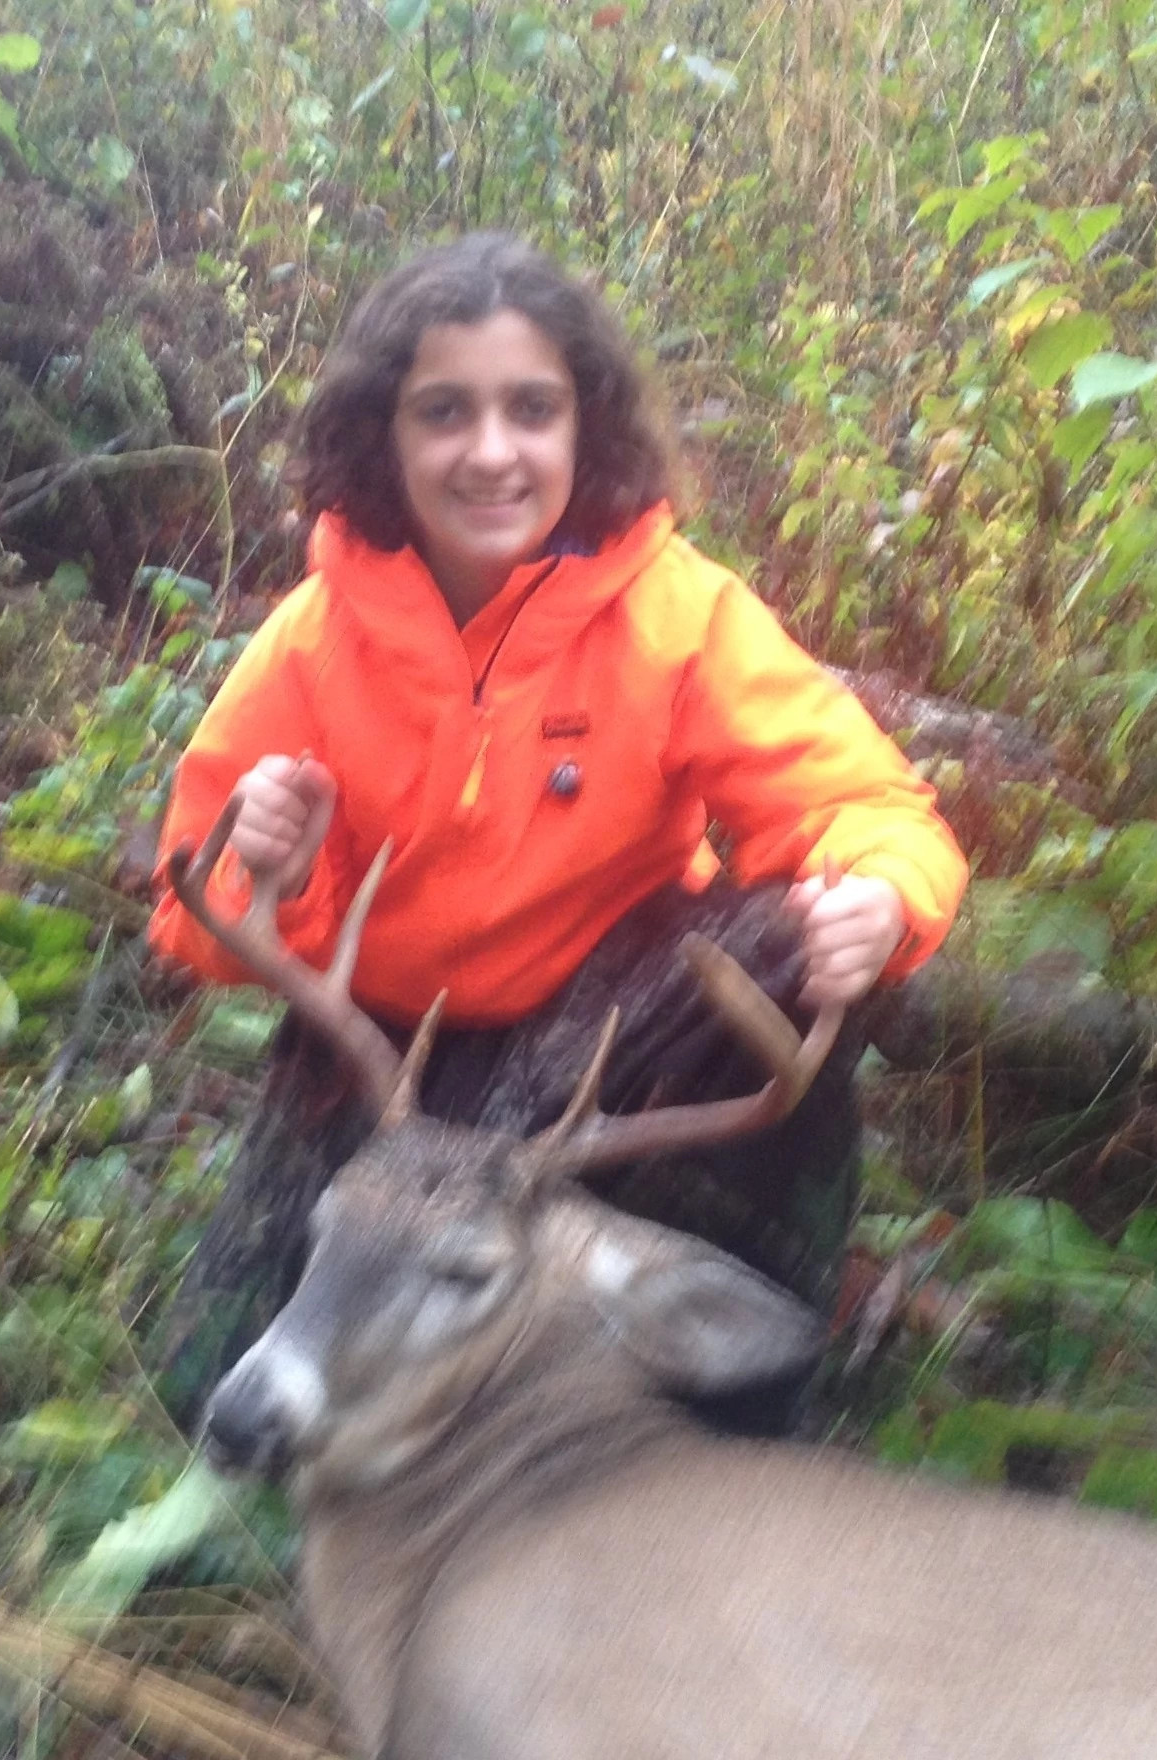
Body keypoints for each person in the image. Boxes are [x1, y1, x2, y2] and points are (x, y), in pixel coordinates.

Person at [148, 232, 967, 1431]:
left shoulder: (675, 616)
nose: (492, 452)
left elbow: (867, 803)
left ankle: (735, 1398)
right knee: (204, 1388)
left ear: (587, 428)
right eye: (445, 411)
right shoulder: (316, 642)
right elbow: (194, 908)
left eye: (532, 409)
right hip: (393, 1063)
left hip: (617, 1040)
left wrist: (883, 894)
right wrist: (269, 863)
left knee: (781, 950)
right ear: (384, 433)